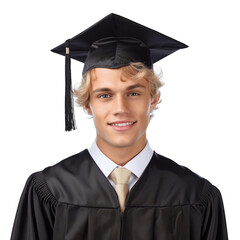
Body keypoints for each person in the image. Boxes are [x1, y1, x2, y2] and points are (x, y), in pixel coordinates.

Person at [11, 13, 228, 240]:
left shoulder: (195, 196)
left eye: (133, 93)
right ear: (87, 104)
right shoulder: (51, 190)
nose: (120, 108)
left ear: (152, 98)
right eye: (104, 95)